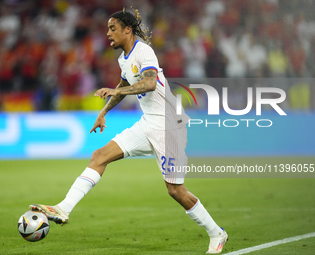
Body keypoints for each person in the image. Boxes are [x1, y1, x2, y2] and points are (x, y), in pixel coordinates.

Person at [30, 8, 228, 254]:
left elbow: (149, 82)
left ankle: (217, 232)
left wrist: (117, 92)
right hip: (147, 123)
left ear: (127, 30)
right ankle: (64, 208)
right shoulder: (123, 58)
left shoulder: (144, 51)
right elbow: (124, 83)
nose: (108, 33)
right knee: (99, 156)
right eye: (107, 29)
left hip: (169, 127)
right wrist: (104, 112)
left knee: (175, 190)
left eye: (112, 28)